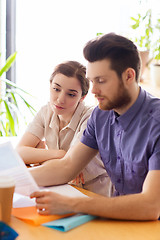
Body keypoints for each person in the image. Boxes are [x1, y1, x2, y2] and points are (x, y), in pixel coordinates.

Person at [29, 33, 160, 220]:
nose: (93, 91)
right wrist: (13, 178)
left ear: (129, 76)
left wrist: (72, 204)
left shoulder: (156, 123)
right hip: (120, 221)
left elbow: (150, 206)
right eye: (92, 81)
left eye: (101, 81)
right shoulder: (101, 115)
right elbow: (67, 166)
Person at [16, 60, 113, 197]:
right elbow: (19, 152)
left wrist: (40, 158)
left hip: (94, 191)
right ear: (50, 86)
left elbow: (66, 167)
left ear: (82, 97)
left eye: (71, 94)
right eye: (56, 89)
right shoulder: (46, 111)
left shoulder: (91, 117)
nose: (60, 99)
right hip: (62, 186)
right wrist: (59, 154)